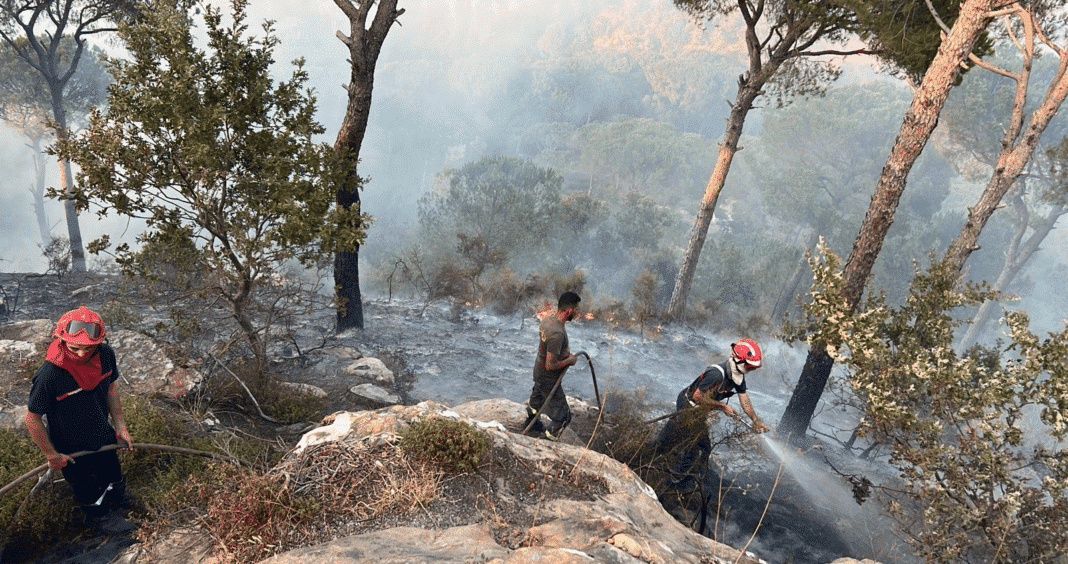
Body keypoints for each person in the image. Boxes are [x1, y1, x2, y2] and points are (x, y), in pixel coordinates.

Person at [25, 306, 132, 515]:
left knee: (113, 477)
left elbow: (111, 387)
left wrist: (120, 426)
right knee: (90, 492)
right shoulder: (49, 375)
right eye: (74, 348)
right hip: (72, 449)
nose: (81, 354)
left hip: (104, 435)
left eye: (88, 348)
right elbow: (32, 418)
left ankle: (120, 501)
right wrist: (51, 454)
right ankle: (100, 520)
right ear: (62, 340)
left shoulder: (106, 355)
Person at [658, 338, 770, 490]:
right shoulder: (716, 374)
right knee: (696, 447)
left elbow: (744, 399)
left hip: (699, 409)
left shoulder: (737, 375)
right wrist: (722, 406)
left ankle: (662, 454)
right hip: (688, 405)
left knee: (676, 437)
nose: (751, 370)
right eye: (750, 366)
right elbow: (697, 396)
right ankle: (673, 483)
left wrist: (756, 420)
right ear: (739, 360)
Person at [521, 291, 581, 440]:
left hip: (538, 372)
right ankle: (546, 440)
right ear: (568, 310)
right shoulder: (557, 334)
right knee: (563, 417)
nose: (577, 312)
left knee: (536, 403)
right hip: (549, 379)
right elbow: (550, 365)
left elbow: (547, 349)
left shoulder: (547, 321)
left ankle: (532, 425)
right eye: (576, 309)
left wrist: (563, 354)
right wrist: (569, 361)